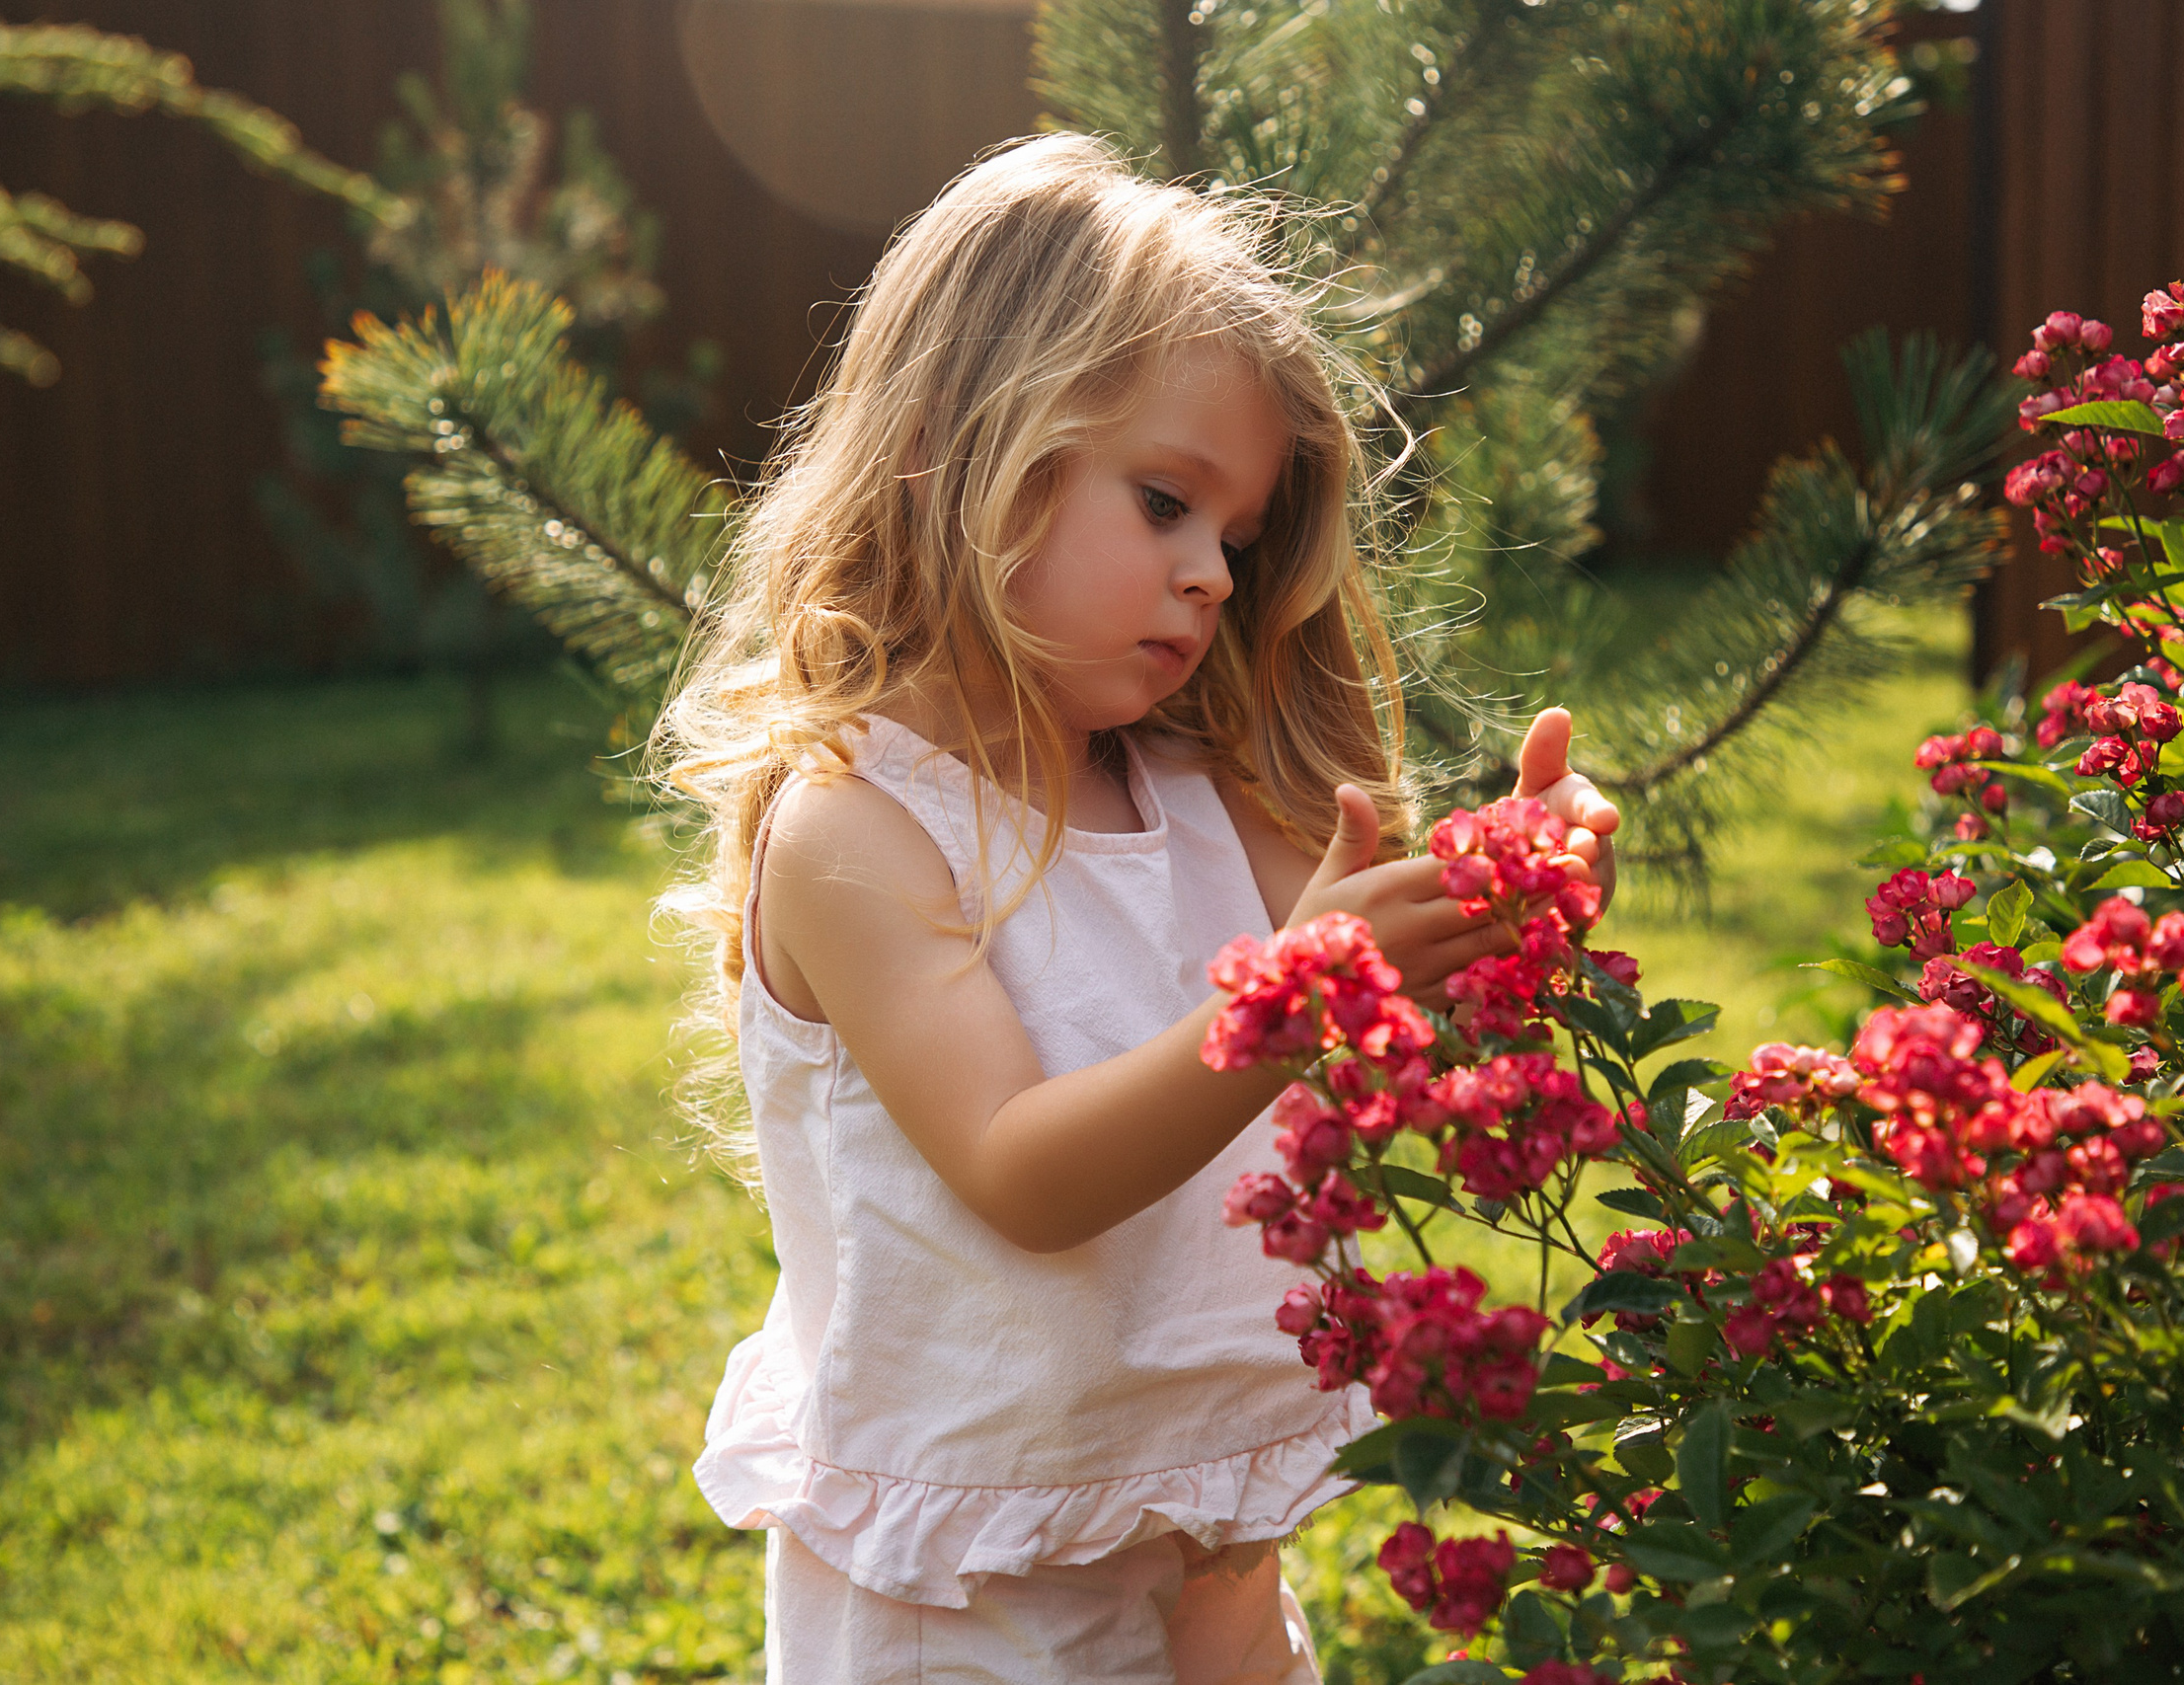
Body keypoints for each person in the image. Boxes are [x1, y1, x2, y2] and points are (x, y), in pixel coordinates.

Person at [661, 133, 1619, 1683]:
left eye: (1236, 541)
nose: (1216, 580)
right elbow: (1021, 1171)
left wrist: (1523, 883)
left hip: (1209, 1556)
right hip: (961, 1591)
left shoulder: (1193, 784)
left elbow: (1389, 1029)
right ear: (957, 448)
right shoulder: (856, 827)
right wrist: (1297, 994)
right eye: (1165, 504)